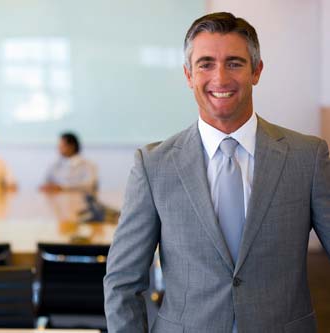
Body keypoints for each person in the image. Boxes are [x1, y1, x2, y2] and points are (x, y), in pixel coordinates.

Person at [104, 12, 330, 333]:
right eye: (205, 64)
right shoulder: (154, 165)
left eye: (235, 63)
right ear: (188, 75)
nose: (220, 78)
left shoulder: (307, 157)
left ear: (257, 71)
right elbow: (123, 282)